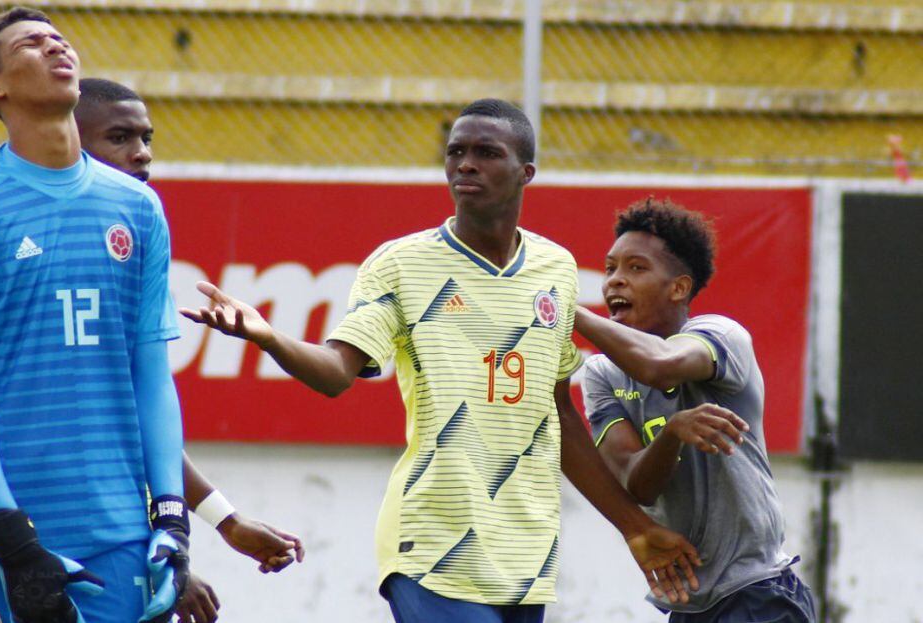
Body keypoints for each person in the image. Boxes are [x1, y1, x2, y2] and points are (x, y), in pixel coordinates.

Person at [180, 99, 702, 623]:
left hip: (526, 553)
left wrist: (633, 526)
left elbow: (559, 415)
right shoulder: (401, 263)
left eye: (485, 152)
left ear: (526, 173)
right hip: (432, 543)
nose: (465, 164)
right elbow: (337, 372)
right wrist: (269, 337)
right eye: (456, 152)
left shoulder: (555, 268)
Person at [0, 8, 191, 623]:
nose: (55, 48)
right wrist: (11, 536)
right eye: (32, 44)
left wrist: (172, 513)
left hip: (116, 540)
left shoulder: (139, 207)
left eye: (60, 39)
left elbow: (151, 373)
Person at [73, 76, 306, 623]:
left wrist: (219, 525)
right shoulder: (10, 227)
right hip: (25, 536)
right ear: (68, 139)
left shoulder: (136, 242)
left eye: (147, 137)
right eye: (120, 138)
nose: (143, 153)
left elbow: (130, 423)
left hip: (114, 538)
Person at [576, 198, 816, 622]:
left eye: (636, 268)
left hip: (759, 593)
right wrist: (671, 434)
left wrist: (563, 312)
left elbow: (659, 365)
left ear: (679, 287)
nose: (614, 281)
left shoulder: (720, 335)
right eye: (610, 267)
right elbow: (636, 484)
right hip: (688, 604)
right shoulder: (601, 375)